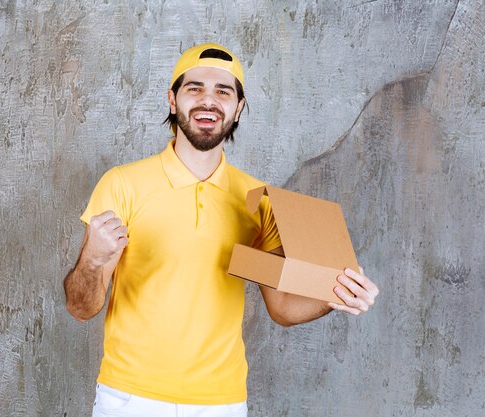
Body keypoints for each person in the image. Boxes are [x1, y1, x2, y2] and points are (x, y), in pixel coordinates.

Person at [64, 43, 379, 417]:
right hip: (129, 398)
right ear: (172, 99)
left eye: (223, 91)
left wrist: (334, 294)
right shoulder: (122, 185)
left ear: (238, 107)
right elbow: (81, 308)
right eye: (194, 88)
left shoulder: (256, 200)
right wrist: (92, 260)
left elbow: (280, 307)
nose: (208, 101)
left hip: (222, 404)